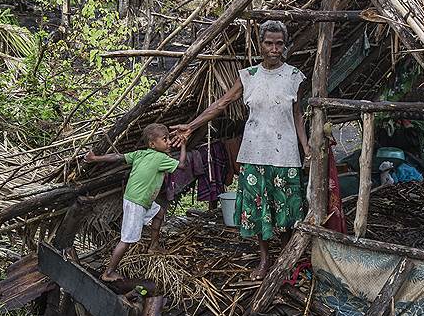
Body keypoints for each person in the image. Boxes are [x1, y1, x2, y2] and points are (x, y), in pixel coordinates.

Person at [171, 20, 309, 280]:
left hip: (286, 153)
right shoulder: (249, 76)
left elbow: (297, 114)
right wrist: (191, 126)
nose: (274, 49)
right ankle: (265, 260)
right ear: (260, 44)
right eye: (269, 43)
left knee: (287, 210)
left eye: (279, 43)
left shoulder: (294, 76)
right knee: (257, 210)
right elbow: (221, 104)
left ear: (285, 45)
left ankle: (287, 258)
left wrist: (305, 146)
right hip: (254, 152)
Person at [84, 123, 186, 281]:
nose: (169, 142)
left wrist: (95, 158)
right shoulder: (161, 158)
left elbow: (118, 157)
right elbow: (182, 165)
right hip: (137, 202)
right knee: (127, 240)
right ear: (152, 144)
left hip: (138, 198)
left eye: (168, 139)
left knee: (159, 213)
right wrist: (184, 146)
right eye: (165, 139)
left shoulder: (140, 154)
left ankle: (153, 246)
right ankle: (108, 273)